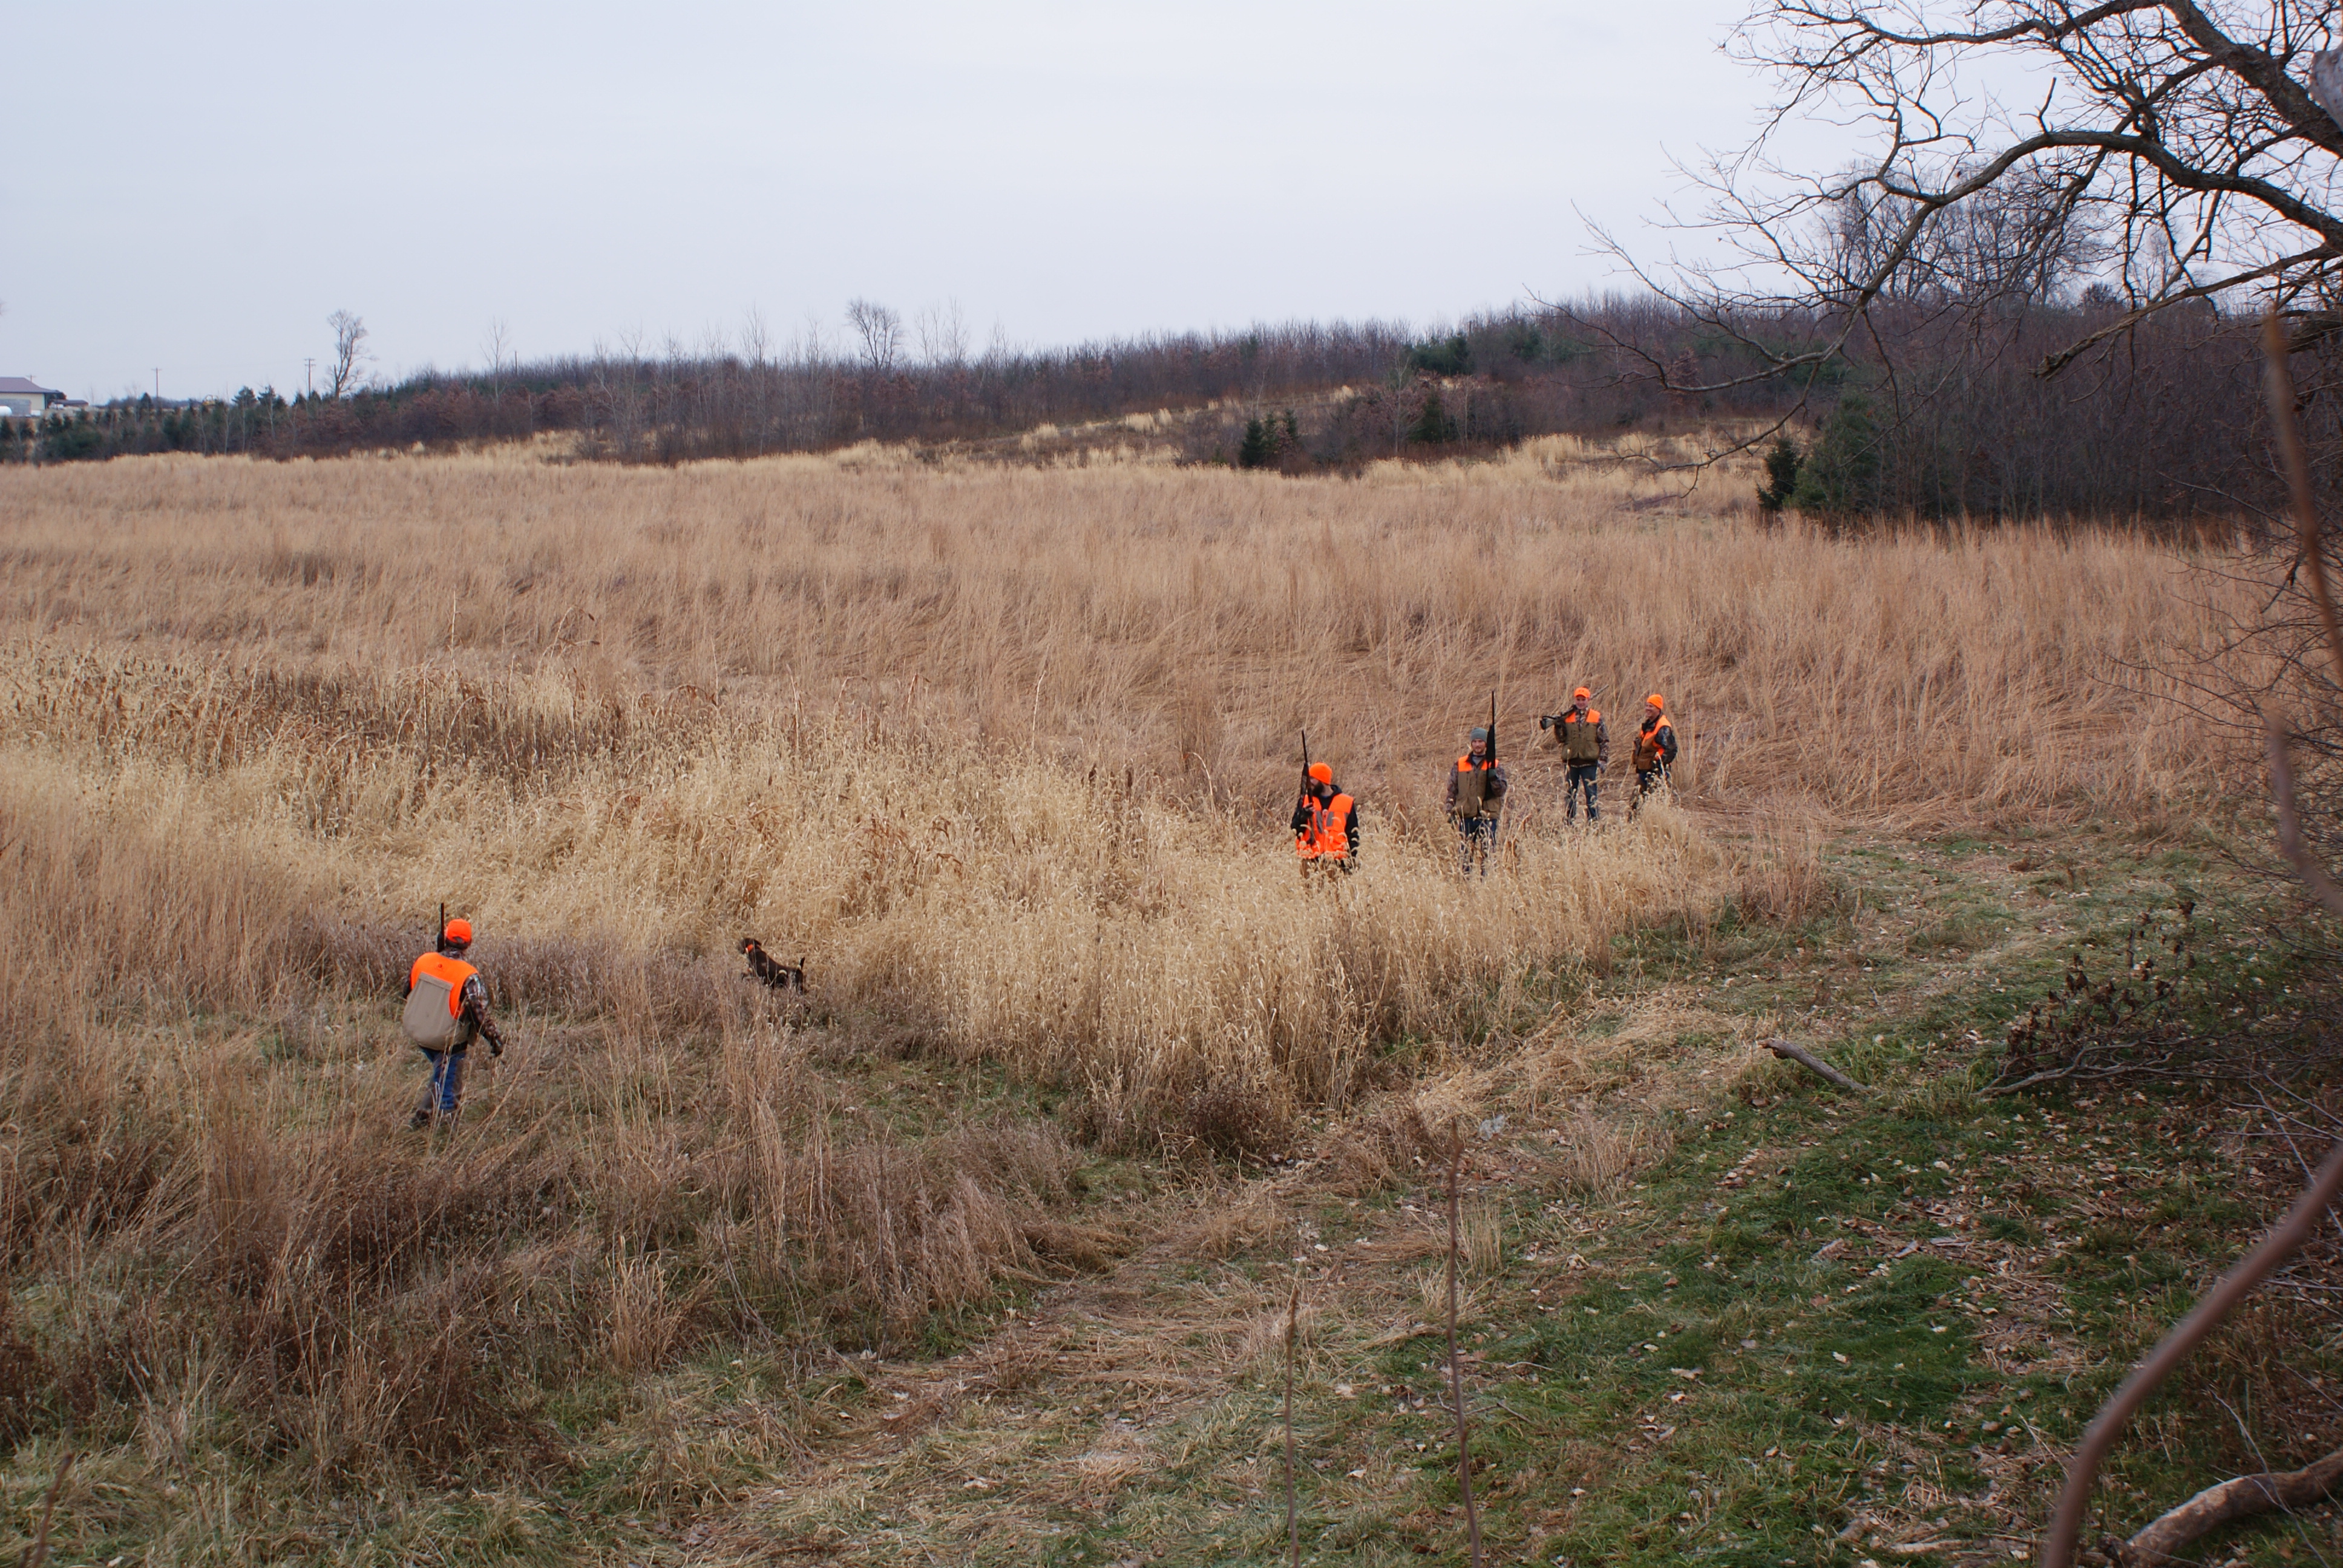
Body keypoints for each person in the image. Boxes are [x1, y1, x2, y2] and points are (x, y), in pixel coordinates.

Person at [402, 917, 503, 1129]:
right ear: (469, 944)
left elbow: (406, 992)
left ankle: (421, 1118)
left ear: (445, 938)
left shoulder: (423, 961)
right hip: (446, 1040)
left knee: (442, 1073)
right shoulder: (468, 975)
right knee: (450, 1086)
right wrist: (495, 1041)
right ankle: (448, 1130)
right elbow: (479, 1015)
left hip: (417, 1030)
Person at [1444, 726, 1508, 876]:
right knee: (1465, 855)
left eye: (1481, 741)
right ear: (1471, 743)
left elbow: (1501, 791)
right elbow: (1452, 789)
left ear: (1486, 743)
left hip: (1488, 816)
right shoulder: (1460, 764)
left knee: (1488, 855)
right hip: (1466, 814)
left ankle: (1485, 884)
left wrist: (1493, 777)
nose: (1477, 745)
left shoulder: (1495, 764)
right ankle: (1465, 883)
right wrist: (1449, 810)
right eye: (1475, 741)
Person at [1541, 686, 1607, 824]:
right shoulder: (1568, 717)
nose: (1581, 702)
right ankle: (1569, 822)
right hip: (1571, 762)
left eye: (1583, 699)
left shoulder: (1596, 717)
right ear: (1575, 700)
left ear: (1588, 700)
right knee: (1570, 795)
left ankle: (1594, 823)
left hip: (1589, 762)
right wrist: (1558, 726)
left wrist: (1603, 760)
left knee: (1591, 795)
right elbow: (1561, 739)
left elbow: (1604, 740)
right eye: (1578, 699)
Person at [1291, 761, 1360, 875]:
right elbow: (1295, 829)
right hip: (1310, 861)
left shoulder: (1346, 802)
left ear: (1322, 780)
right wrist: (1303, 817)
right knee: (1308, 888)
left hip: (1337, 863)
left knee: (1335, 888)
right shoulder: (1305, 801)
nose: (1309, 783)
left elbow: (1353, 835)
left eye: (1312, 779)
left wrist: (1351, 861)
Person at [1630, 693, 1679, 817]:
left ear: (1658, 708)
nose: (1647, 709)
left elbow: (1671, 750)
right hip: (1644, 771)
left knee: (1657, 804)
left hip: (1656, 774)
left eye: (1651, 706)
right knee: (1635, 803)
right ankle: (1634, 826)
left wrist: (1657, 765)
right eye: (1647, 705)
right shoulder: (1649, 724)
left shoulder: (1663, 727)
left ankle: (1656, 825)